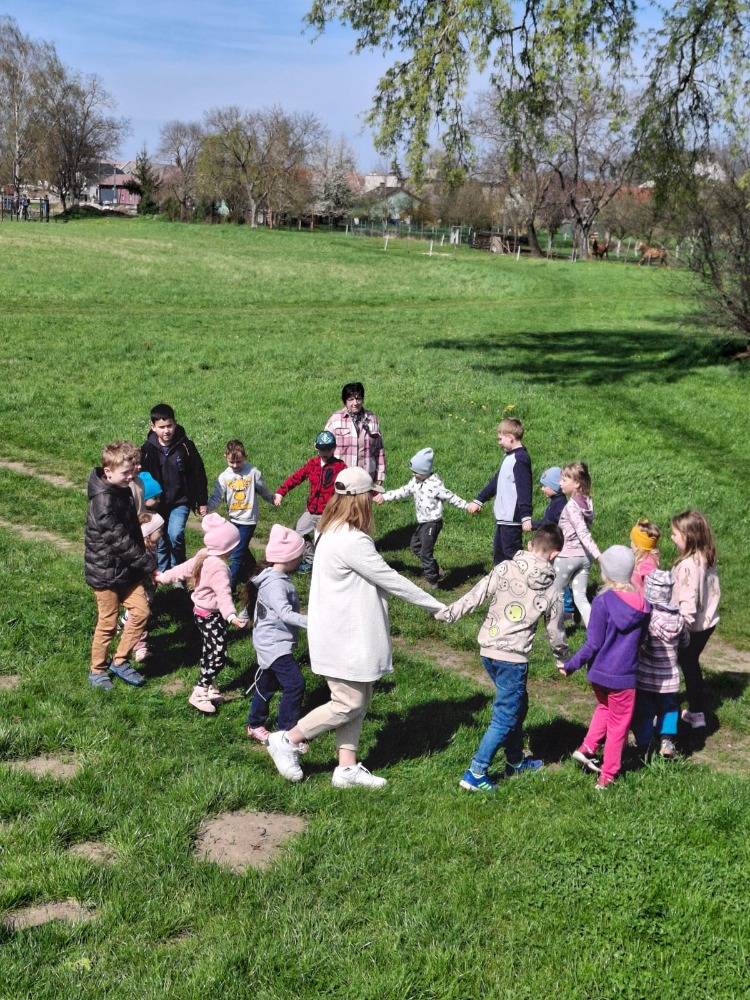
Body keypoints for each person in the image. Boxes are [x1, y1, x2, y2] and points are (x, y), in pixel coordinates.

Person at [266, 467, 445, 788]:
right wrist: (437, 606)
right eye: (370, 495)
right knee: (348, 702)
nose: (375, 500)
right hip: (342, 635)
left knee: (358, 699)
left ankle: (346, 768)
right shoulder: (352, 541)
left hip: (344, 630)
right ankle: (287, 739)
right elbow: (391, 579)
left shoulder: (328, 530)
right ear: (360, 500)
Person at [435, 525, 566, 791]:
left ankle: (515, 760)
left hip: (488, 652)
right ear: (554, 555)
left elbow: (477, 594)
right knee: (505, 716)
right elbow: (556, 631)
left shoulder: (505, 567)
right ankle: (476, 772)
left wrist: (450, 613)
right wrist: (562, 659)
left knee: (519, 703)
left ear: (530, 545)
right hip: (513, 659)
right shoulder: (552, 589)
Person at [560, 545, 651, 788]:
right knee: (618, 725)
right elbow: (642, 640)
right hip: (624, 678)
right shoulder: (644, 607)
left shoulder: (602, 602)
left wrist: (571, 665)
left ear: (606, 573)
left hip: (599, 674)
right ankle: (608, 775)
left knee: (604, 707)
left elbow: (593, 644)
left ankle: (588, 747)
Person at [155, 514, 247, 714]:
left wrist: (163, 577)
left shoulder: (204, 554)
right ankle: (199, 690)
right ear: (227, 547)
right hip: (212, 616)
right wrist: (231, 615)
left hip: (200, 613)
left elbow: (182, 569)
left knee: (209, 648)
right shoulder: (220, 568)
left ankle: (211, 688)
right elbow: (224, 595)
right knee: (218, 654)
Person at [84, 442, 155, 690]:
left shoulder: (121, 488)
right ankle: (97, 670)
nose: (131, 476)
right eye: (126, 472)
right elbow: (119, 540)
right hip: (105, 572)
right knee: (108, 623)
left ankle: (120, 660)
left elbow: (131, 529)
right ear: (108, 470)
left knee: (141, 611)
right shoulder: (103, 501)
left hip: (126, 569)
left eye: (132, 471)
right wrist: (146, 562)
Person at [245, 525, 308, 744]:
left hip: (270, 641)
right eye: (300, 555)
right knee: (295, 684)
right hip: (273, 643)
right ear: (290, 557)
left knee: (266, 683)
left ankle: (255, 723)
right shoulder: (275, 584)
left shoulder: (272, 578)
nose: (302, 559)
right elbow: (285, 613)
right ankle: (286, 734)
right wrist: (314, 622)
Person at [374, 446, 469, 587]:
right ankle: (437, 571)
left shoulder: (435, 485)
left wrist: (467, 506)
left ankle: (433, 582)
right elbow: (403, 491)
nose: (413, 475)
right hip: (423, 522)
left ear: (424, 471)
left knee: (425, 552)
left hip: (432, 522)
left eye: (416, 472)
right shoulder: (416, 481)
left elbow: (451, 497)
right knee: (415, 546)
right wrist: (384, 497)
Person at [139, 402, 208, 572]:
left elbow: (198, 473)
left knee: (175, 535)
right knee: (161, 538)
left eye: (169, 425)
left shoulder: (186, 446)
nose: (166, 430)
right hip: (157, 503)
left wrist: (202, 501)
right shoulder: (147, 449)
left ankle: (179, 570)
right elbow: (141, 477)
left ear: (175, 423)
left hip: (180, 501)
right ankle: (163, 571)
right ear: (153, 427)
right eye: (162, 427)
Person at [670, 510, 721, 729]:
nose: (672, 538)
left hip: (689, 624)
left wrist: (679, 628)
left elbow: (688, 604)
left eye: (675, 534)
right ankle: (696, 711)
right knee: (690, 663)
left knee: (676, 663)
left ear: (689, 537)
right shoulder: (707, 555)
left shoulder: (687, 567)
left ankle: (670, 710)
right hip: (708, 621)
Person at [547, 461, 601, 656]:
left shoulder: (571, 506)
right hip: (584, 559)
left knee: (556, 595)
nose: (560, 483)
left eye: (565, 479)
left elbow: (583, 532)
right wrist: (592, 556)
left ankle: (558, 638)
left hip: (568, 557)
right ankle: (595, 635)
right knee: (580, 597)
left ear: (577, 483)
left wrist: (599, 555)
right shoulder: (588, 501)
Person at [632, 569, 686, 759]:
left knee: (644, 709)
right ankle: (667, 741)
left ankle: (644, 744)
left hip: (646, 675)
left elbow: (640, 642)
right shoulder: (679, 618)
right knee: (669, 708)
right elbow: (685, 641)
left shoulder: (648, 618)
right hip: (669, 676)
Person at [273, 430, 346, 571]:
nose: (325, 453)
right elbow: (296, 478)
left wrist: (372, 493)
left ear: (334, 448)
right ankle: (310, 559)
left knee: (325, 542)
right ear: (316, 447)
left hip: (328, 512)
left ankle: (330, 566)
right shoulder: (312, 464)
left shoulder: (340, 467)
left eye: (328, 449)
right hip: (311, 510)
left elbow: (352, 482)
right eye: (321, 449)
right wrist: (281, 492)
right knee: (298, 533)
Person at [207, 438, 274, 589]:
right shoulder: (224, 476)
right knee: (239, 549)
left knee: (236, 555)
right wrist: (208, 508)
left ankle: (228, 587)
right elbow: (217, 496)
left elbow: (262, 489)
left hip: (248, 520)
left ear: (245, 457)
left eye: (239, 462)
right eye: (232, 463)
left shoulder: (253, 473)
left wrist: (271, 498)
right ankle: (256, 573)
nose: (236, 466)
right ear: (225, 457)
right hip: (233, 519)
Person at [467, 417, 533, 566]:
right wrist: (479, 500)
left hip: (512, 519)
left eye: (500, 439)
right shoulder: (509, 458)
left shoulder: (520, 459)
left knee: (512, 557)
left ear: (510, 438)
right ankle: (501, 586)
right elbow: (496, 482)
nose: (498, 442)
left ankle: (528, 580)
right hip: (503, 518)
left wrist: (526, 516)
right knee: (499, 556)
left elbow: (525, 489)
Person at [532, 465, 575, 620]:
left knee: (561, 577)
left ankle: (567, 610)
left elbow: (548, 524)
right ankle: (553, 603)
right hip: (555, 545)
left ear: (555, 487)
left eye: (545, 486)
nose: (542, 489)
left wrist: (533, 525)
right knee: (555, 575)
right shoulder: (556, 501)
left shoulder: (559, 505)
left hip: (559, 547)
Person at [325, 382, 387, 486]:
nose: (355, 403)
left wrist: (380, 475)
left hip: (366, 479)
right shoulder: (335, 420)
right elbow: (324, 450)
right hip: (341, 479)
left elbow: (379, 450)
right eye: (351, 399)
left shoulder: (372, 419)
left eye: (358, 398)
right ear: (345, 401)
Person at [630, 518, 661, 595]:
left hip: (641, 601)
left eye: (632, 541)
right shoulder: (641, 557)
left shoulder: (647, 564)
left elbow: (652, 587)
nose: (630, 544)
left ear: (638, 546)